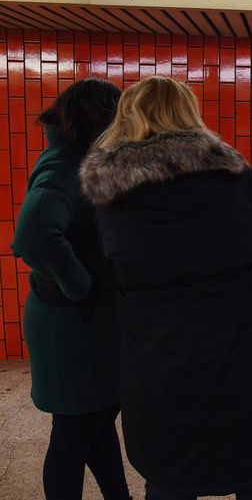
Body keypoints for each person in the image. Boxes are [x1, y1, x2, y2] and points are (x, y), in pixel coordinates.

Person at [79, 75, 252, 500]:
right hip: (243, 360)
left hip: (160, 364)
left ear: (128, 118)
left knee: (170, 476)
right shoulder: (229, 177)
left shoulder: (106, 196)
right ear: (188, 115)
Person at [10, 78, 131, 500]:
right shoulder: (62, 166)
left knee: (94, 420)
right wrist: (80, 285)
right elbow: (33, 236)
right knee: (74, 434)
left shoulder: (76, 159)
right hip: (72, 329)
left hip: (83, 325)